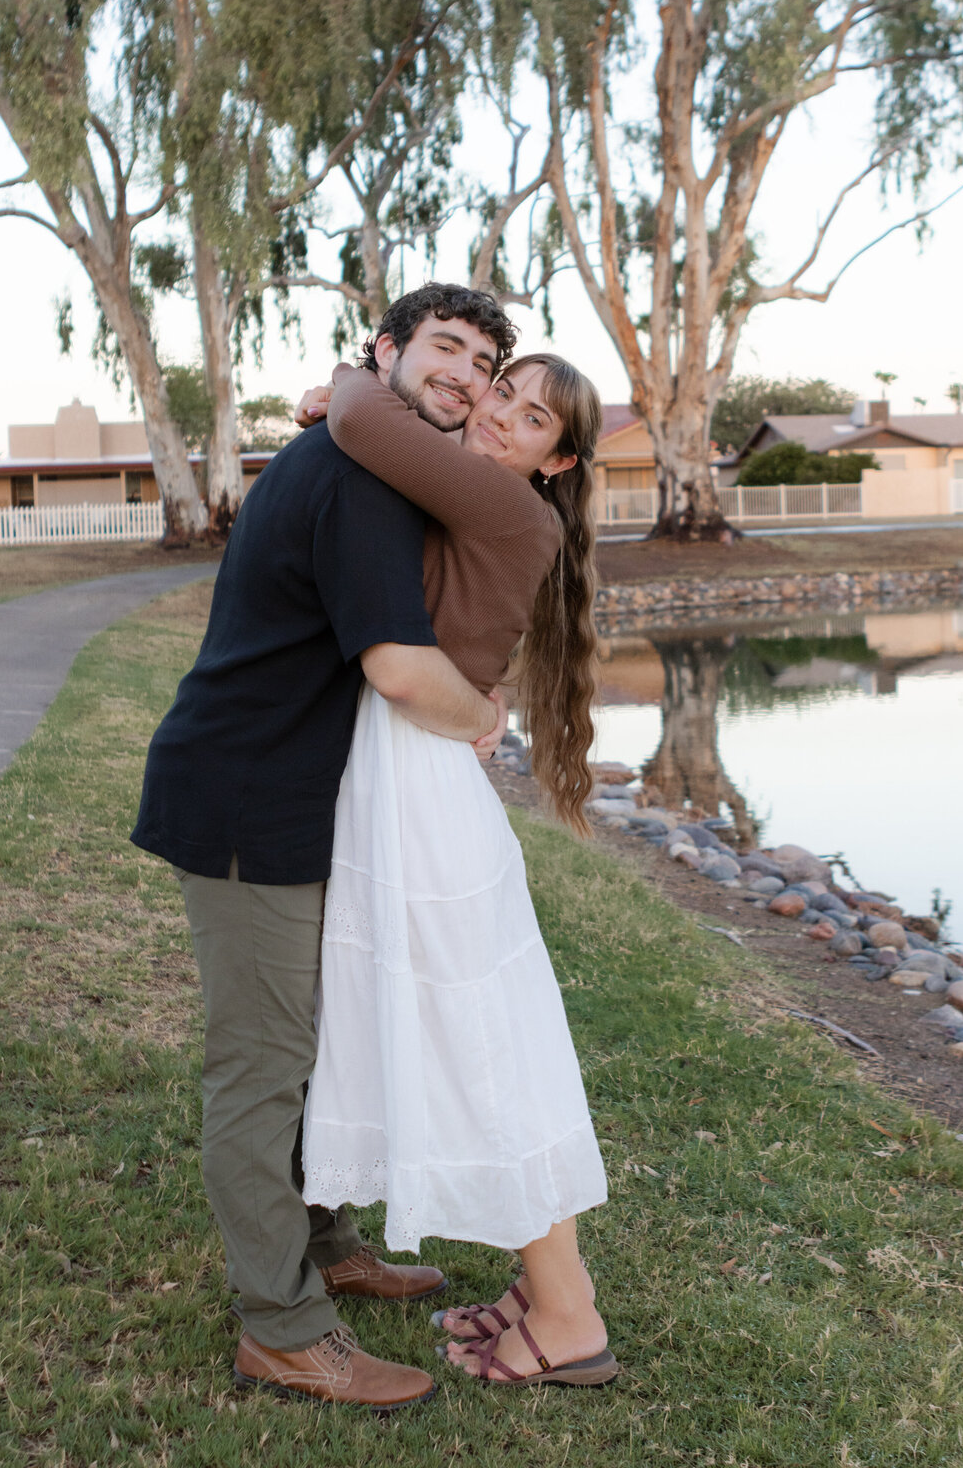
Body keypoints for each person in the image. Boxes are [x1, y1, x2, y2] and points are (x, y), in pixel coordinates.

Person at [131, 284, 520, 1413]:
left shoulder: (365, 451)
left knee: (315, 1040)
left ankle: (326, 1240)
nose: (466, 372)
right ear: (385, 350)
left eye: (485, 362)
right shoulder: (356, 476)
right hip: (248, 797)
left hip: (298, 795)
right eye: (445, 346)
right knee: (260, 1070)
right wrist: (485, 721)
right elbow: (400, 669)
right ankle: (283, 1327)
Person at [296, 346, 617, 1389]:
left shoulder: (500, 504)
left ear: (557, 462)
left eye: (530, 420)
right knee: (486, 1040)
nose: (498, 417)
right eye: (501, 393)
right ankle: (544, 1287)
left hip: (422, 791)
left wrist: (351, 371)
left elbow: (359, 419)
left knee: (483, 1050)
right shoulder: (496, 498)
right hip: (415, 778)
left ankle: (568, 1314)